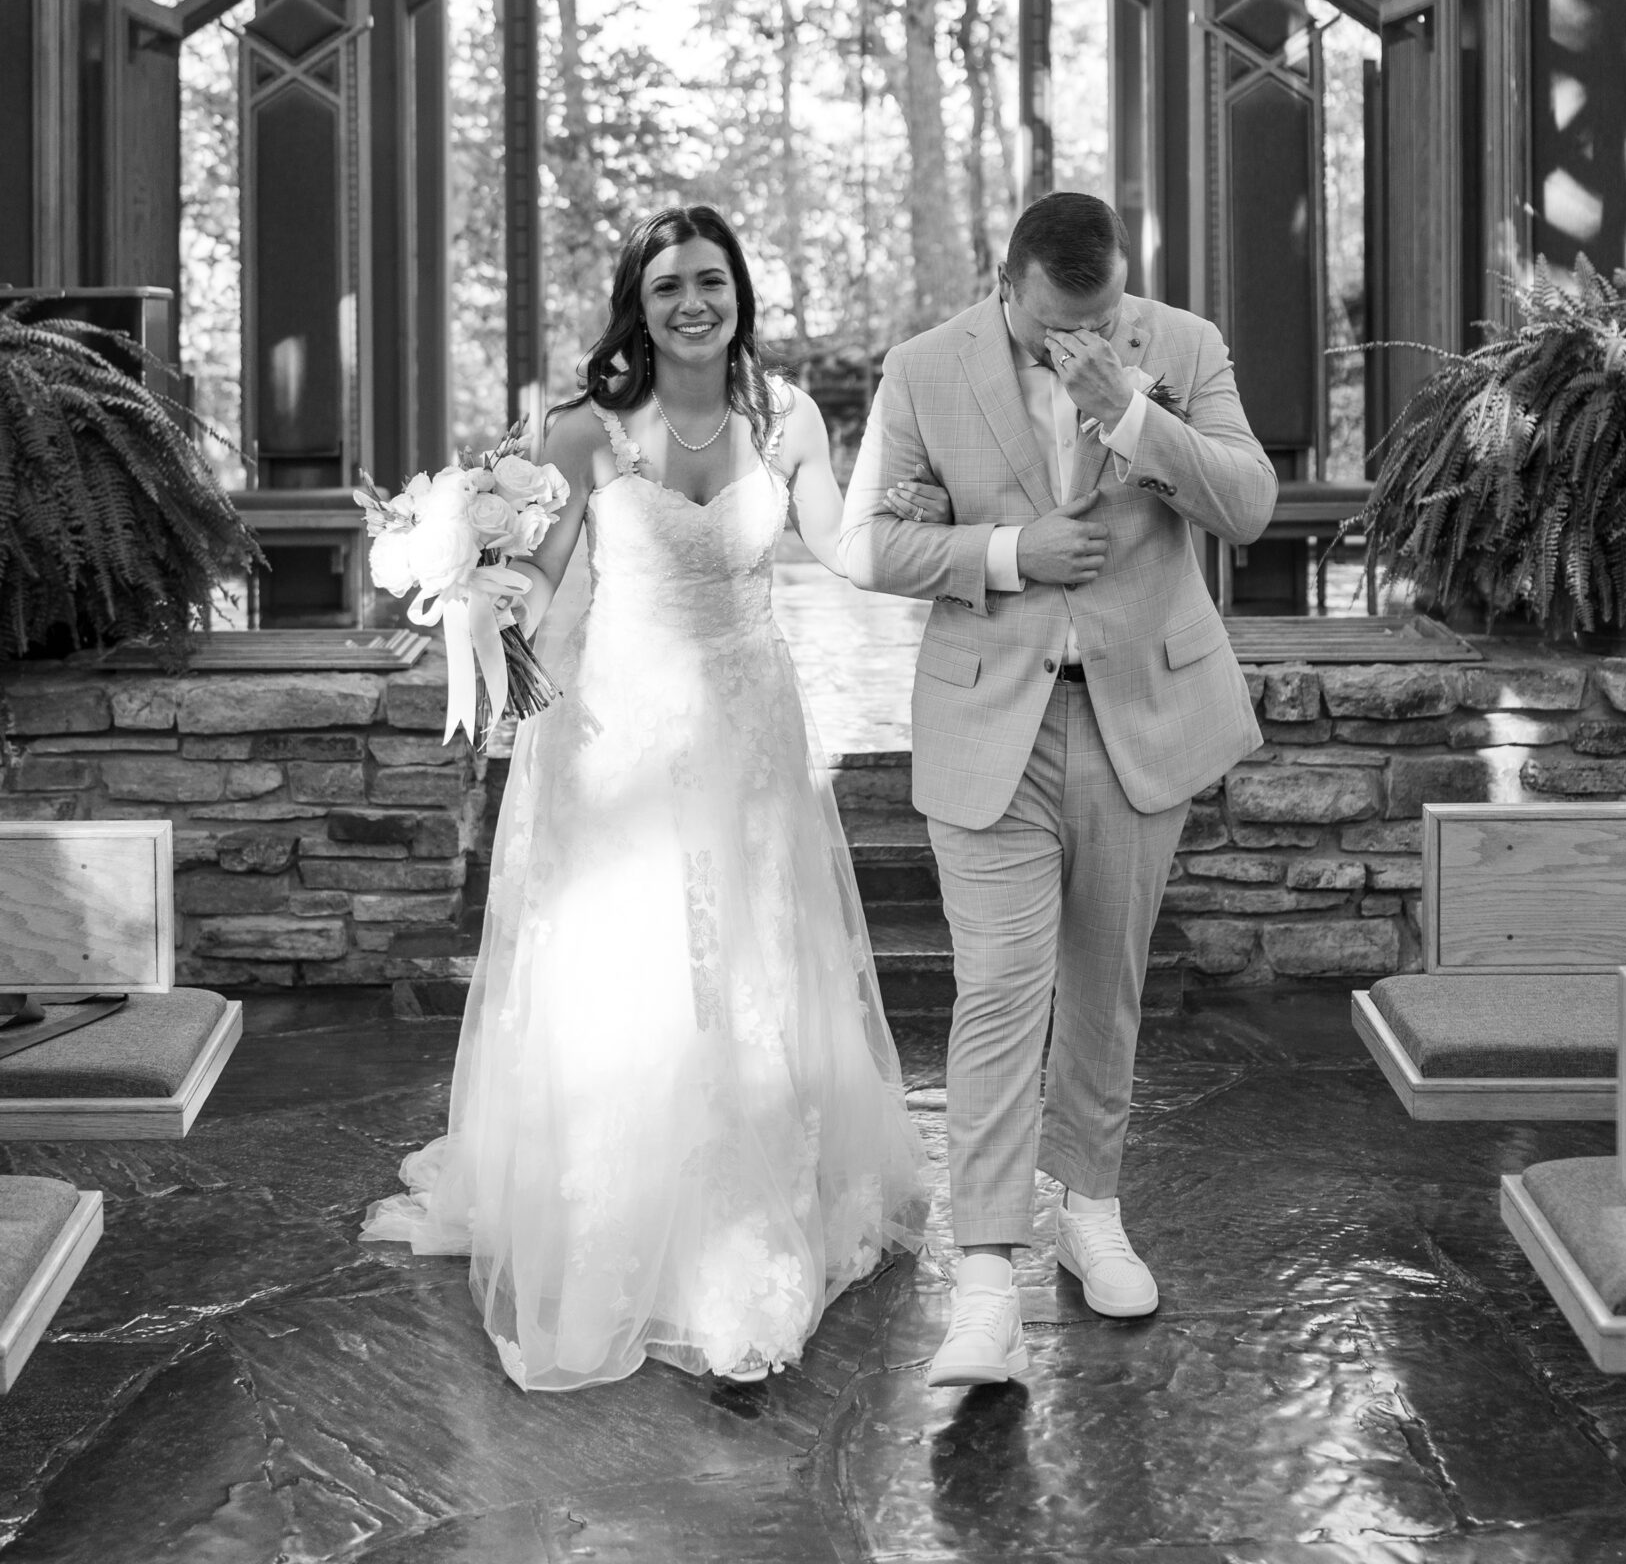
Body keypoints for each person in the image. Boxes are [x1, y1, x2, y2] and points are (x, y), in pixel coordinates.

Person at [363, 205, 935, 1390]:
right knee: (644, 977)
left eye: (712, 281)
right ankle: (642, 1230)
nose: (692, 302)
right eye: (669, 282)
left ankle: (753, 1222)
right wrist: (457, 573)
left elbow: (843, 546)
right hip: (621, 740)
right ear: (639, 298)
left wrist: (982, 550)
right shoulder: (583, 430)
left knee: (755, 970)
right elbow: (541, 573)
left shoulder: (787, 422)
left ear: (741, 296)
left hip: (753, 734)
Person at [839, 191, 1276, 1389]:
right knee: (997, 991)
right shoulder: (924, 368)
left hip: (1143, 709)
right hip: (991, 717)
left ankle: (1093, 1207)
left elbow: (1246, 504)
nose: (1069, 341)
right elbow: (860, 540)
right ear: (1004, 281)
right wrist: (1005, 553)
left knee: (1107, 979)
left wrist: (1131, 412)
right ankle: (985, 1278)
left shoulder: (1180, 349)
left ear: (1122, 290)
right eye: (1047, 328)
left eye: (1096, 318)